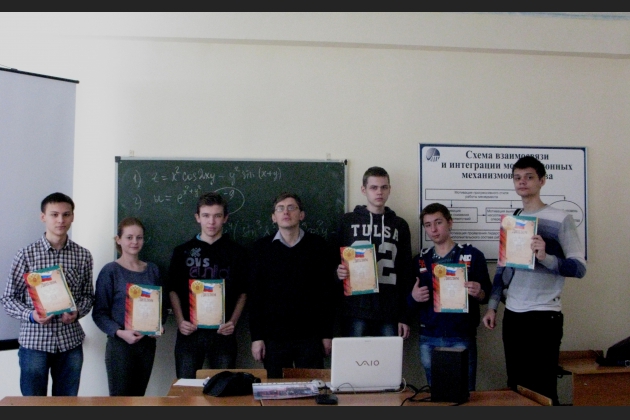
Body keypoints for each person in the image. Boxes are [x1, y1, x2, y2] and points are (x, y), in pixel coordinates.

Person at [482, 155, 587, 405]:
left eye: (529, 177)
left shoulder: (561, 218)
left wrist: (546, 257)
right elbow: (503, 268)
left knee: (543, 388)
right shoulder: (513, 220)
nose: (522, 182)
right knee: (516, 386)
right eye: (517, 177)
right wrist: (492, 306)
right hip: (513, 314)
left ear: (542, 181)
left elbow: (580, 268)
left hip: (544, 315)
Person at [1, 192, 94, 396]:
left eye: (66, 214)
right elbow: (8, 298)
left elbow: (88, 296)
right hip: (34, 343)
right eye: (54, 214)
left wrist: (77, 312)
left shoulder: (83, 255)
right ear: (43, 217)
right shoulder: (26, 255)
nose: (60, 220)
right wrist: (31, 315)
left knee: (66, 405)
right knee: (34, 406)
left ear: (72, 216)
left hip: (70, 343)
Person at [248, 192, 338, 378]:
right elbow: (255, 297)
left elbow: (326, 293)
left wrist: (326, 334)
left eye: (291, 208)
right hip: (274, 336)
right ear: (274, 217)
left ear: (301, 215)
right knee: (276, 391)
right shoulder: (260, 249)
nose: (286, 212)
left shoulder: (318, 246)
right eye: (280, 209)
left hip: (310, 335)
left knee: (313, 389)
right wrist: (257, 338)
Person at [407, 203, 491, 391]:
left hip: (461, 334)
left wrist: (479, 292)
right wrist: (413, 297)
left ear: (450, 222)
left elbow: (487, 295)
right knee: (436, 393)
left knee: (466, 393)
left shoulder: (472, 255)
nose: (433, 229)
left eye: (438, 222)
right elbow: (407, 302)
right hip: (429, 336)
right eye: (428, 225)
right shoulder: (419, 260)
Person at [167, 192, 248, 379]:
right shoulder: (183, 252)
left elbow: (243, 292)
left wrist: (233, 322)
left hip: (223, 334)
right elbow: (173, 290)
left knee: (222, 388)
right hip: (189, 333)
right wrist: (180, 321)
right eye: (206, 215)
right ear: (197, 217)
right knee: (186, 389)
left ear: (225, 218)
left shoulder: (237, 253)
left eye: (217, 216)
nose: (211, 222)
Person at [335, 166, 413, 338]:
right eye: (374, 187)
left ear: (389, 189)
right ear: (364, 190)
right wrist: (337, 272)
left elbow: (406, 271)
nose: (379, 192)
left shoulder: (399, 225)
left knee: (388, 356)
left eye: (384, 187)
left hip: (389, 310)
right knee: (356, 355)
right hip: (355, 308)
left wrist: (404, 315)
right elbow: (331, 260)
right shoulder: (347, 222)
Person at [92, 217, 165, 396]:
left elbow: (162, 308)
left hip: (146, 345)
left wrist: (158, 326)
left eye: (139, 237)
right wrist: (120, 332)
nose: (134, 242)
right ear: (118, 240)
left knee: (139, 398)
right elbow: (99, 313)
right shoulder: (110, 271)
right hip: (120, 346)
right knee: (119, 400)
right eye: (129, 237)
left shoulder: (153, 270)